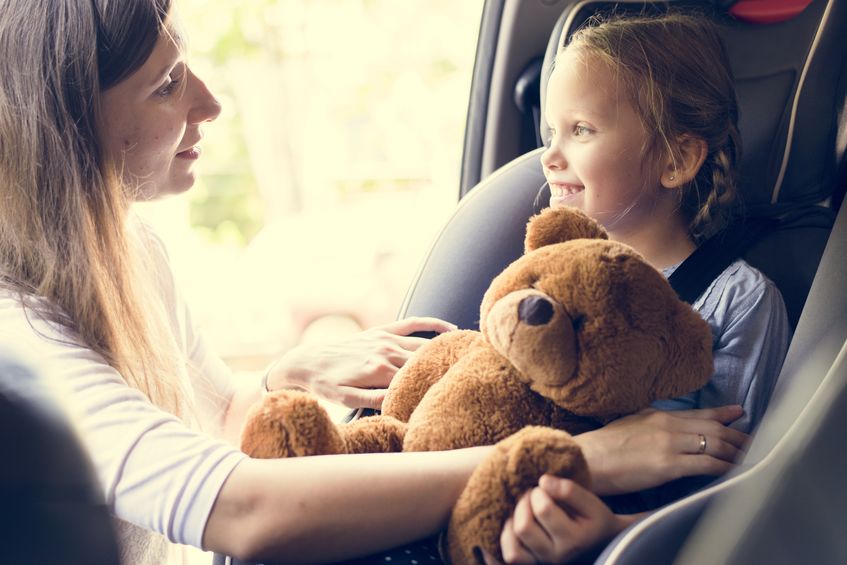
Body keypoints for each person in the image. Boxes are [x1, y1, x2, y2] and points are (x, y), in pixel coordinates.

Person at [0, 2, 758, 564]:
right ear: (71, 125)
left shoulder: (138, 253)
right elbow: (238, 508)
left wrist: (271, 377)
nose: (210, 101)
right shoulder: (18, 333)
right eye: (166, 85)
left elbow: (216, 413)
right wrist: (588, 457)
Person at [489, 13, 791, 564]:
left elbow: (730, 488)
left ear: (676, 159)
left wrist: (615, 529)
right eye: (550, 133)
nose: (550, 155)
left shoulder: (736, 300)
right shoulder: (542, 270)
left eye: (581, 130)